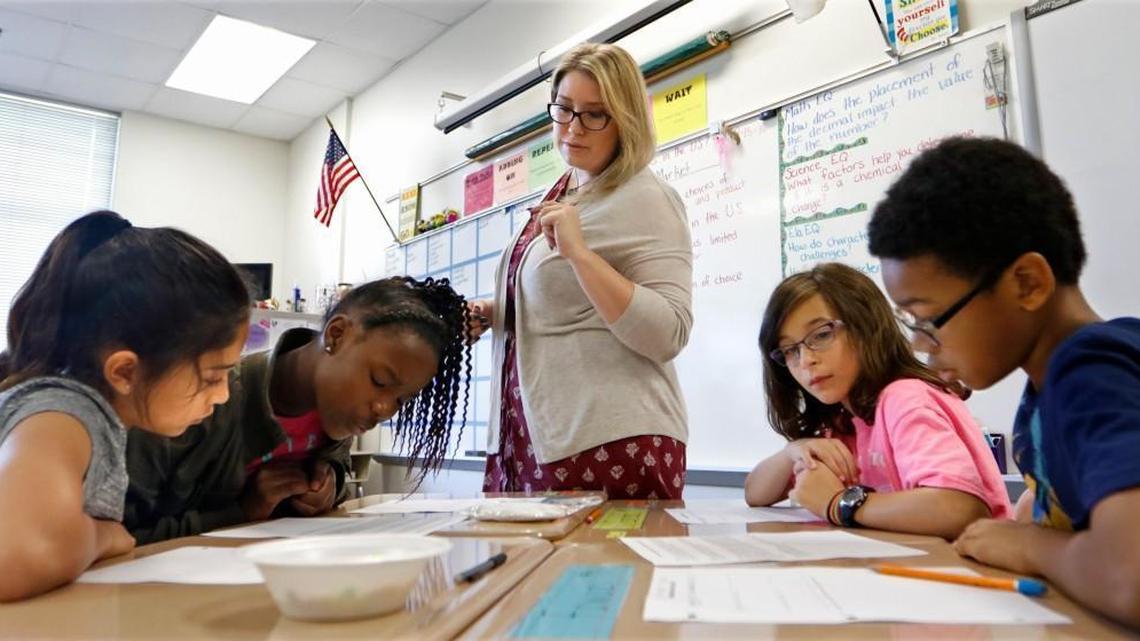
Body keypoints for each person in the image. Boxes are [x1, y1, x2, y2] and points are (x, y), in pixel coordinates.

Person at [868, 136, 1140, 625]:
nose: (920, 346)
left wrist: (1031, 545)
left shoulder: (1090, 370)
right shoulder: (1051, 386)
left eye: (928, 320)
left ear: (1027, 283)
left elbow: (1131, 577)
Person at [467, 42, 693, 499]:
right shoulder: (567, 190)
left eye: (595, 114)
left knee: (595, 572)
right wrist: (492, 311)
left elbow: (669, 331)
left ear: (625, 120)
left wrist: (581, 256)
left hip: (609, 443)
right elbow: (568, 308)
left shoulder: (645, 197)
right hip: (542, 438)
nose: (572, 128)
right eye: (564, 110)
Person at [0, 211, 250, 601]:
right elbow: (15, 554)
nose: (222, 396)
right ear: (125, 372)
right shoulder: (63, 414)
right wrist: (102, 535)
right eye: (212, 377)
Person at [125, 276, 472, 543]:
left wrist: (328, 486)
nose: (384, 409)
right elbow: (121, 535)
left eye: (402, 400)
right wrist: (242, 511)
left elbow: (333, 465)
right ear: (336, 335)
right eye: (380, 381)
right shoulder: (204, 400)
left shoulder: (338, 412)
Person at [746, 263, 1010, 539]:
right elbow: (755, 493)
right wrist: (793, 450)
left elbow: (960, 510)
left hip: (972, 573)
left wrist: (837, 503)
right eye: (789, 350)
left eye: (822, 334)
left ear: (866, 325)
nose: (805, 360)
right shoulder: (842, 422)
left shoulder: (904, 397)